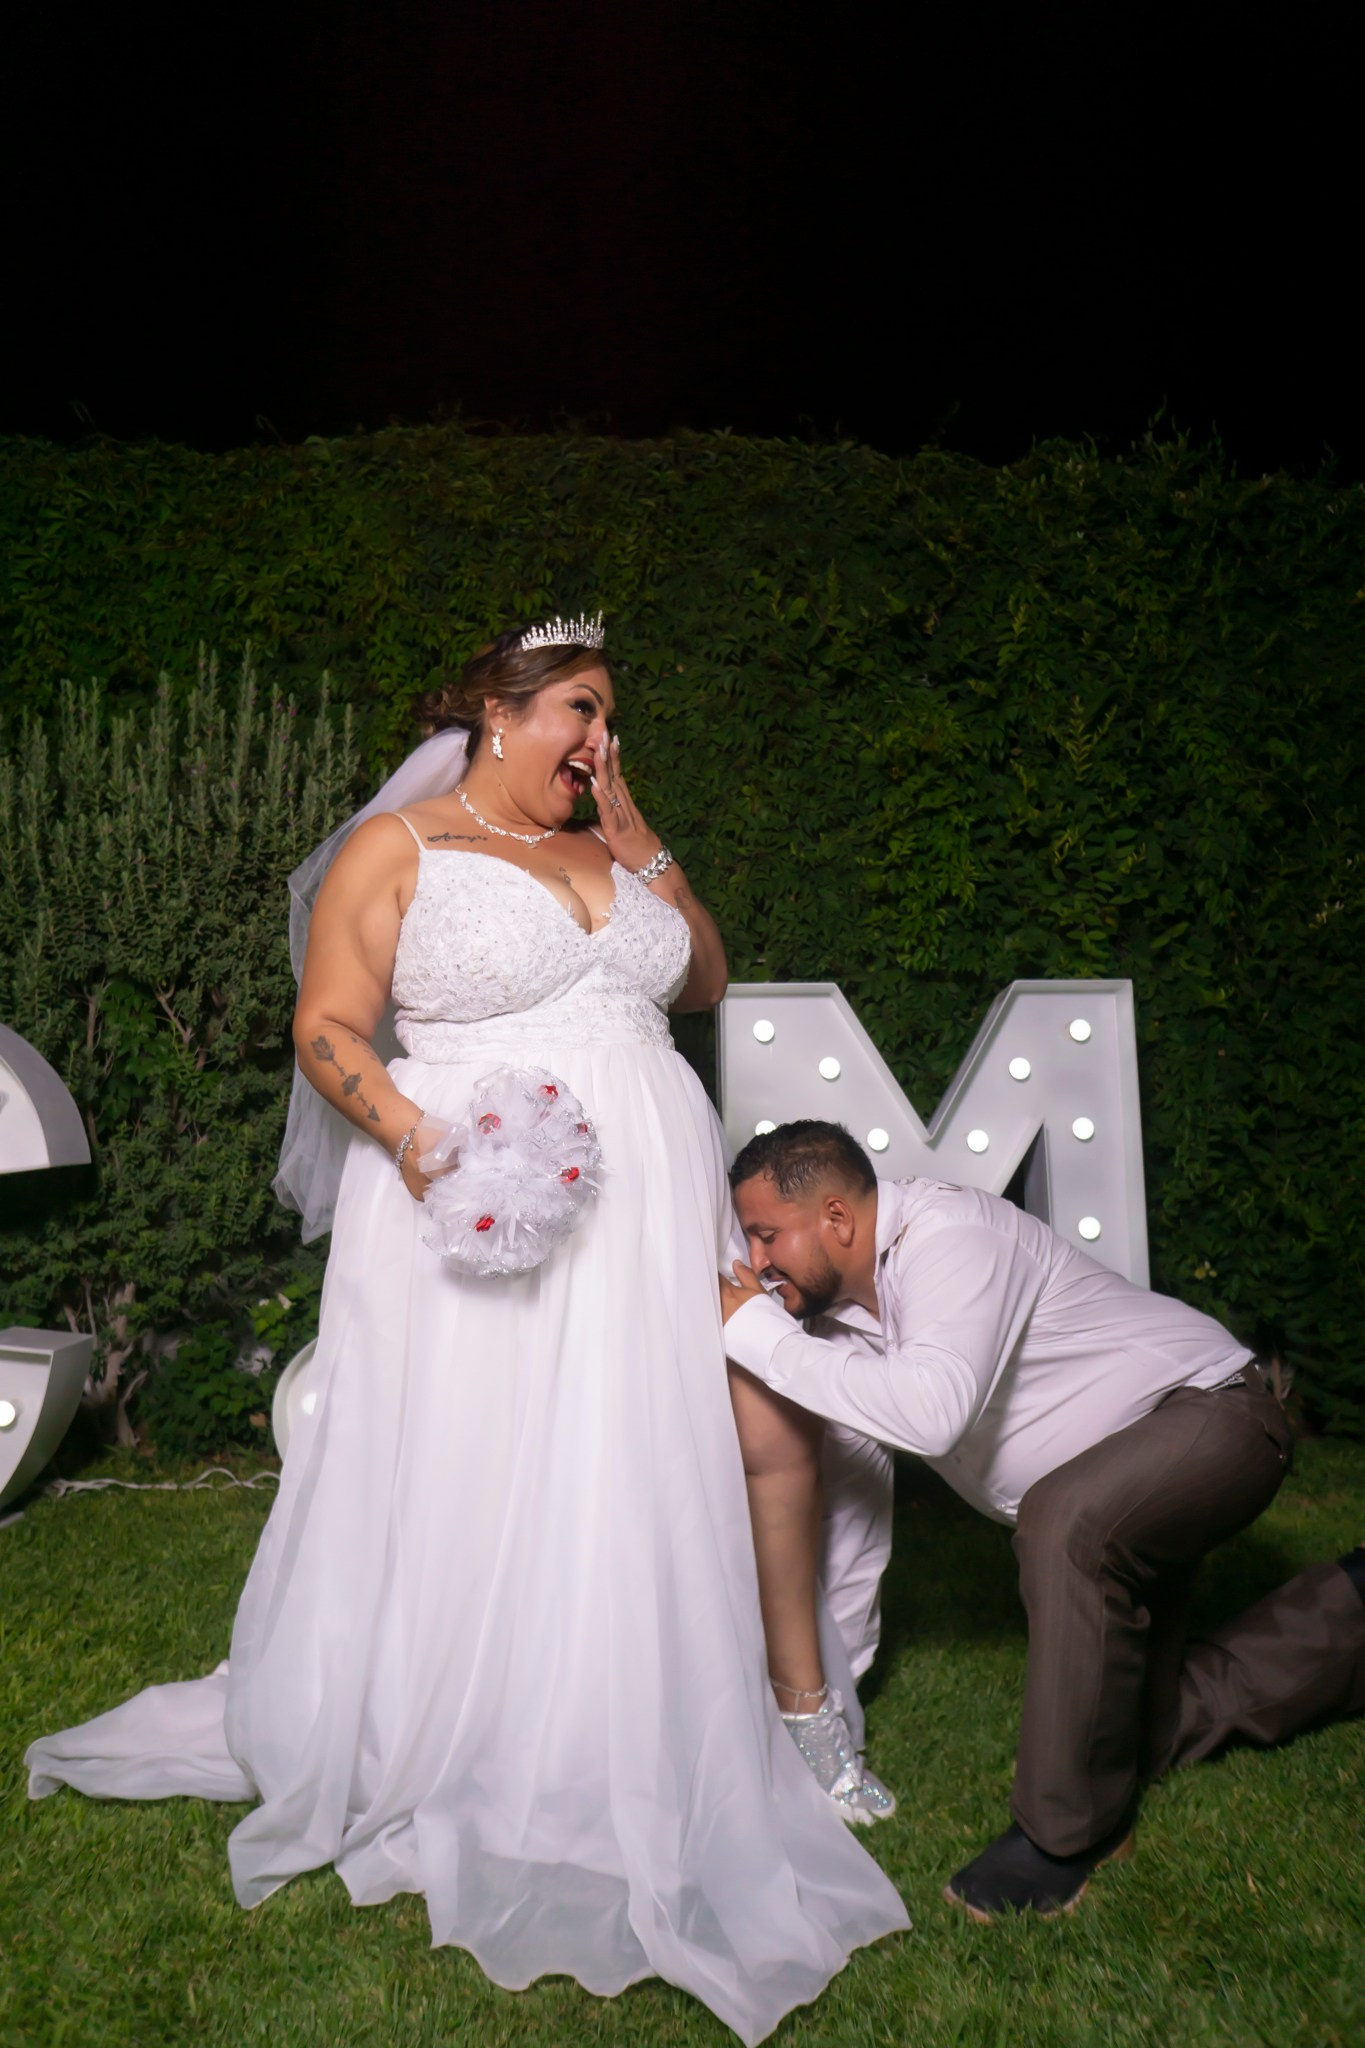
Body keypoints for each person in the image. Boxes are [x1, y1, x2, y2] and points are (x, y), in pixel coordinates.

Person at [26, 621, 907, 2045]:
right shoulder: (402, 847)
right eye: (580, 709)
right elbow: (327, 1027)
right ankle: (472, 1729)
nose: (598, 739)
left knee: (635, 1460)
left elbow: (701, 980)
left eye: (610, 717)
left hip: (644, 1213)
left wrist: (643, 839)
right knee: (485, 1467)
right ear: (501, 709)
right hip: (484, 1201)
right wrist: (422, 1142)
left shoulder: (615, 846)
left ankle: (638, 1716)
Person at [719, 1119, 1365, 1923]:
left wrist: (753, 1334)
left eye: (766, 1234)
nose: (755, 1260)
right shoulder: (835, 1321)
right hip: (1118, 1475)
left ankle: (1062, 1838)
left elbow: (929, 1417)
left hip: (1214, 1417)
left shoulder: (950, 1239)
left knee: (1063, 1524)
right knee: (1138, 1729)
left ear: (837, 1218)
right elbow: (852, 1507)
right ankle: (1352, 1607)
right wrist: (830, 1695)